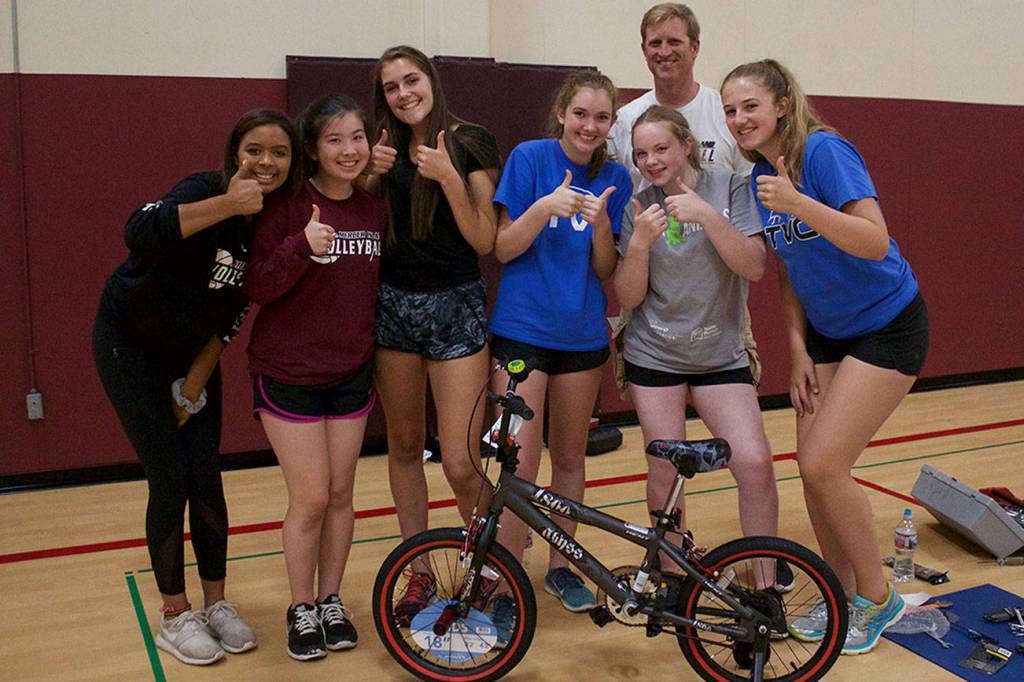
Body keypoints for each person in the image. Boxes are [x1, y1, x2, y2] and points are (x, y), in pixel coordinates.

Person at [721, 59, 928, 655]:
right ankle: (840, 594)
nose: (739, 119)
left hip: (888, 326)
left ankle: (878, 597)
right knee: (808, 465)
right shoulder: (762, 174)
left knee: (823, 464)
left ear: (783, 103)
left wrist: (796, 200)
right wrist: (797, 348)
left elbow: (874, 239)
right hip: (826, 336)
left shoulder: (822, 152)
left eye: (750, 106)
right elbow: (790, 270)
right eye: (731, 110)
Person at [92, 109, 300, 665]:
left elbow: (238, 306)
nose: (265, 162)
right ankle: (173, 613)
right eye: (254, 149)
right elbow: (136, 229)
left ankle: (215, 604)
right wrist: (229, 204)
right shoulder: (204, 189)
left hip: (192, 354)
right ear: (236, 152)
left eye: (279, 153)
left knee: (206, 475)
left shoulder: (274, 218)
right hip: (128, 345)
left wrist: (197, 380)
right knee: (170, 477)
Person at [243, 95, 386, 661]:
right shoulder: (285, 207)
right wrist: (301, 246)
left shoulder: (374, 211)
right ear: (312, 149)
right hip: (288, 374)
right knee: (310, 498)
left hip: (350, 373)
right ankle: (301, 606)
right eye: (334, 139)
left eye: (356, 138)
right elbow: (257, 285)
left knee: (343, 495)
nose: (348, 150)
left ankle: (332, 599)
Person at [364, 45, 501, 624]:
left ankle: (488, 576)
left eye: (411, 80)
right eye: (391, 87)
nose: (403, 94)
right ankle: (417, 574)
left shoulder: (470, 141)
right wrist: (367, 176)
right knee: (402, 447)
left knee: (463, 462)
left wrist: (447, 177)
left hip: (455, 307)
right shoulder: (378, 149)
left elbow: (484, 239)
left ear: (431, 80)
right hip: (393, 309)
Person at [489, 70, 632, 616]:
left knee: (569, 457)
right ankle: (505, 584)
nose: (589, 126)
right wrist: (544, 208)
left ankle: (562, 567)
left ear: (611, 122)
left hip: (581, 336)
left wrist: (599, 227)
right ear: (562, 114)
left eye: (601, 117)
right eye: (581, 114)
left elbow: (605, 270)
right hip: (522, 333)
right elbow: (502, 248)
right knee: (517, 465)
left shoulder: (615, 177)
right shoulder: (529, 158)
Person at [613, 105, 779, 576]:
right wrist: (641, 244)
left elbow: (754, 266)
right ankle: (674, 574)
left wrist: (707, 216)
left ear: (686, 144)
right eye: (641, 153)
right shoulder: (636, 205)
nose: (651, 161)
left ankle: (764, 581)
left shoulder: (729, 187)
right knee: (664, 469)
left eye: (661, 148)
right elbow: (628, 295)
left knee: (753, 463)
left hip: (718, 355)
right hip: (655, 354)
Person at [607, 2, 762, 384]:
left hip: (717, 298)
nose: (664, 51)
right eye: (654, 42)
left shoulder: (724, 114)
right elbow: (624, 201)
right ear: (644, 50)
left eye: (674, 40)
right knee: (662, 441)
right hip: (653, 293)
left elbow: (748, 198)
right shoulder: (626, 120)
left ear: (694, 47)